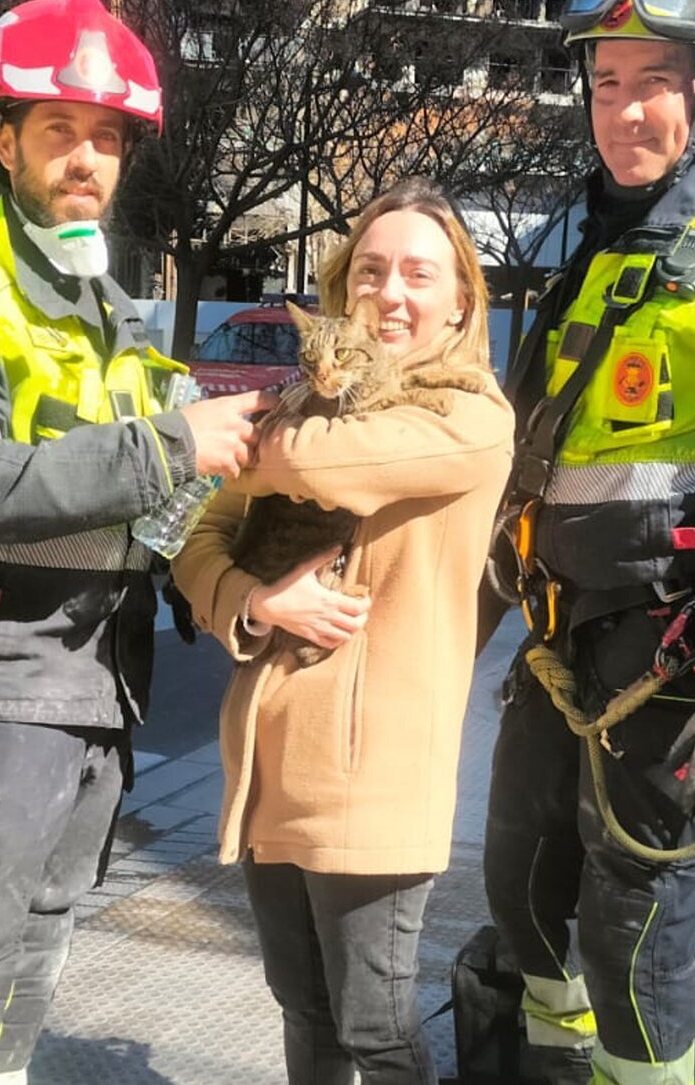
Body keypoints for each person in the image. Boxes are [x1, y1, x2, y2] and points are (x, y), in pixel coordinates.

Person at [480, 0, 695, 1081]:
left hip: (676, 652)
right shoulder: (600, 245)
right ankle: (553, 1065)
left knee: (629, 919)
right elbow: (537, 466)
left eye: (654, 82)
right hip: (560, 637)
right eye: (606, 80)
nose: (623, 109)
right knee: (519, 881)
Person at [0, 0, 277, 1084]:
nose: (87, 159)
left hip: (96, 682)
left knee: (36, 946)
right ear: (2, 138)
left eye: (107, 138)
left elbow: (153, 501)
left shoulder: (108, 303)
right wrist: (167, 451)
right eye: (59, 130)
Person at [172, 176, 514, 1085]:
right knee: (306, 1013)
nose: (389, 293)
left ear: (459, 301)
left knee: (375, 1028)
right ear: (341, 288)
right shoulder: (306, 396)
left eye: (417, 273)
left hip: (376, 782)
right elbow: (194, 541)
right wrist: (254, 600)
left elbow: (330, 462)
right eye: (369, 271)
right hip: (266, 766)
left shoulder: (471, 417)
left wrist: (235, 445)